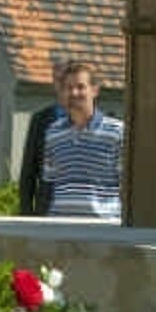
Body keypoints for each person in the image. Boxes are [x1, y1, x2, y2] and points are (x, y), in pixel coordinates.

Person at [42, 61, 125, 220]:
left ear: (95, 90)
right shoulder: (53, 133)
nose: (74, 93)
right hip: (60, 225)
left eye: (80, 87)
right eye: (69, 88)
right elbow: (49, 183)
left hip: (102, 226)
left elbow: (127, 187)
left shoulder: (117, 132)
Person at [17, 60, 67, 216]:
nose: (62, 84)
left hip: (81, 211)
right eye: (58, 79)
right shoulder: (40, 120)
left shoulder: (90, 120)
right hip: (46, 209)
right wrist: (26, 213)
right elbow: (28, 171)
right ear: (53, 82)